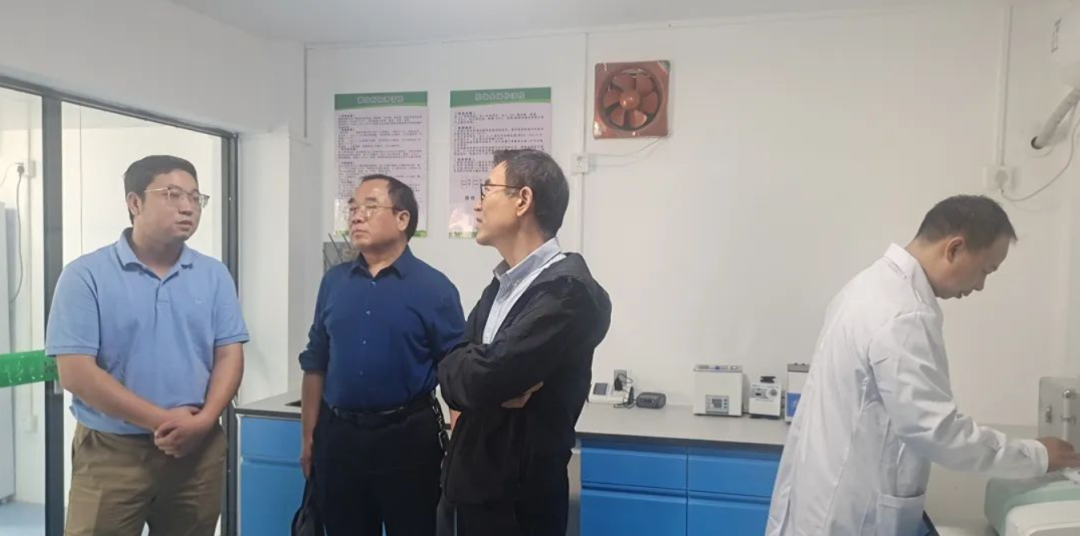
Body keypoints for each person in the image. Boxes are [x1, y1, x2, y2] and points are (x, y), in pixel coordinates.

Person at [766, 195, 1080, 536]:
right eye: (986, 270)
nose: (980, 286)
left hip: (821, 497)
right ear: (955, 248)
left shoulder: (867, 286)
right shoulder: (904, 314)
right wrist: (1035, 455)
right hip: (850, 517)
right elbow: (937, 432)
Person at [46, 155, 248, 536]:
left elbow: (229, 355)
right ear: (134, 202)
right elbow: (76, 373)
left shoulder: (214, 275)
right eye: (172, 194)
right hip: (113, 452)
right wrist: (166, 423)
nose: (188, 207)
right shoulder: (85, 276)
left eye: (195, 197)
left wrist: (204, 422)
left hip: (198, 452)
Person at [437, 149, 612, 536]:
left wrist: (477, 379)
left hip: (516, 507)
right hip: (470, 492)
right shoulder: (503, 286)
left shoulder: (567, 293)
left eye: (486, 190)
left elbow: (484, 378)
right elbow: (451, 367)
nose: (477, 204)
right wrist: (475, 378)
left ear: (523, 200)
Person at [299, 174, 465, 536]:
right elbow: (316, 361)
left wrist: (460, 451)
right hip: (339, 439)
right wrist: (308, 436)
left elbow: (458, 375)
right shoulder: (334, 282)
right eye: (353, 208)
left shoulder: (434, 288)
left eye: (370, 207)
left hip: (408, 439)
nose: (357, 216)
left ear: (403, 219)